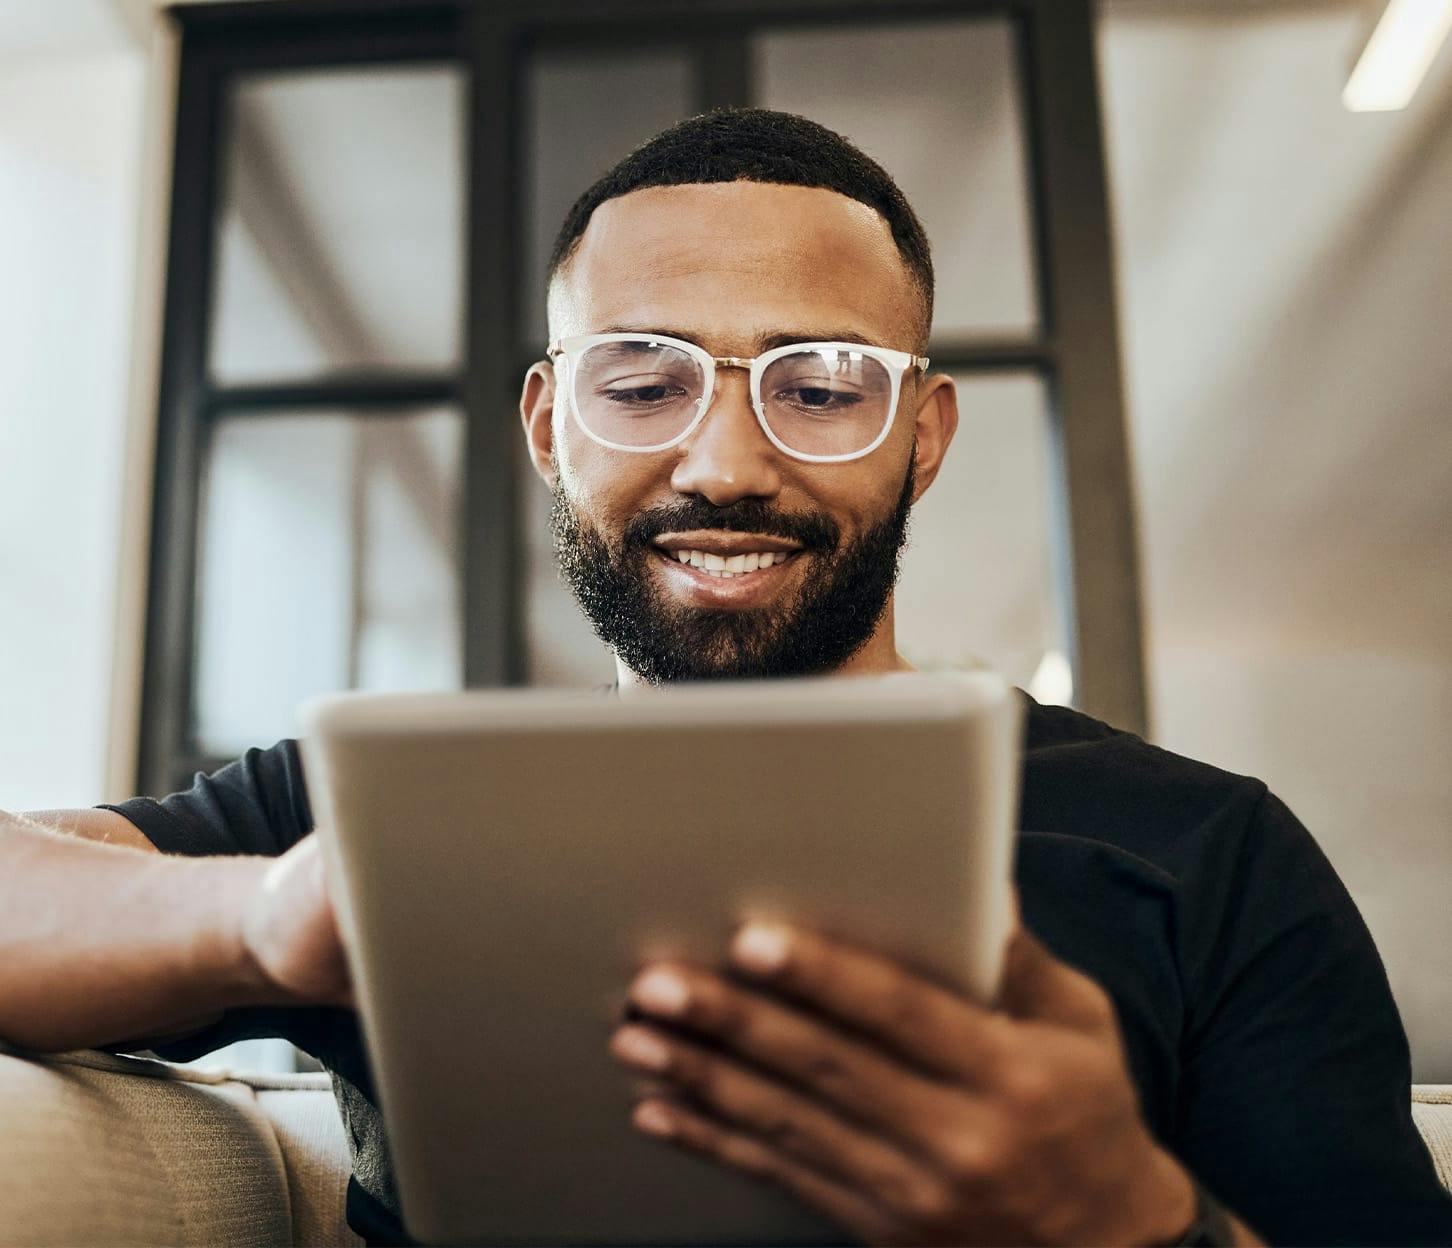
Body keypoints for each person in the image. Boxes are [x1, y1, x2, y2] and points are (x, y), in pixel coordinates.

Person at [2, 109, 1449, 1248]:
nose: (727, 464)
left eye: (820, 388)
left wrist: (1126, 1224)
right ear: (549, 423)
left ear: (924, 435)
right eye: (642, 383)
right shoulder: (376, 814)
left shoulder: (1209, 852)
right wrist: (268, 921)